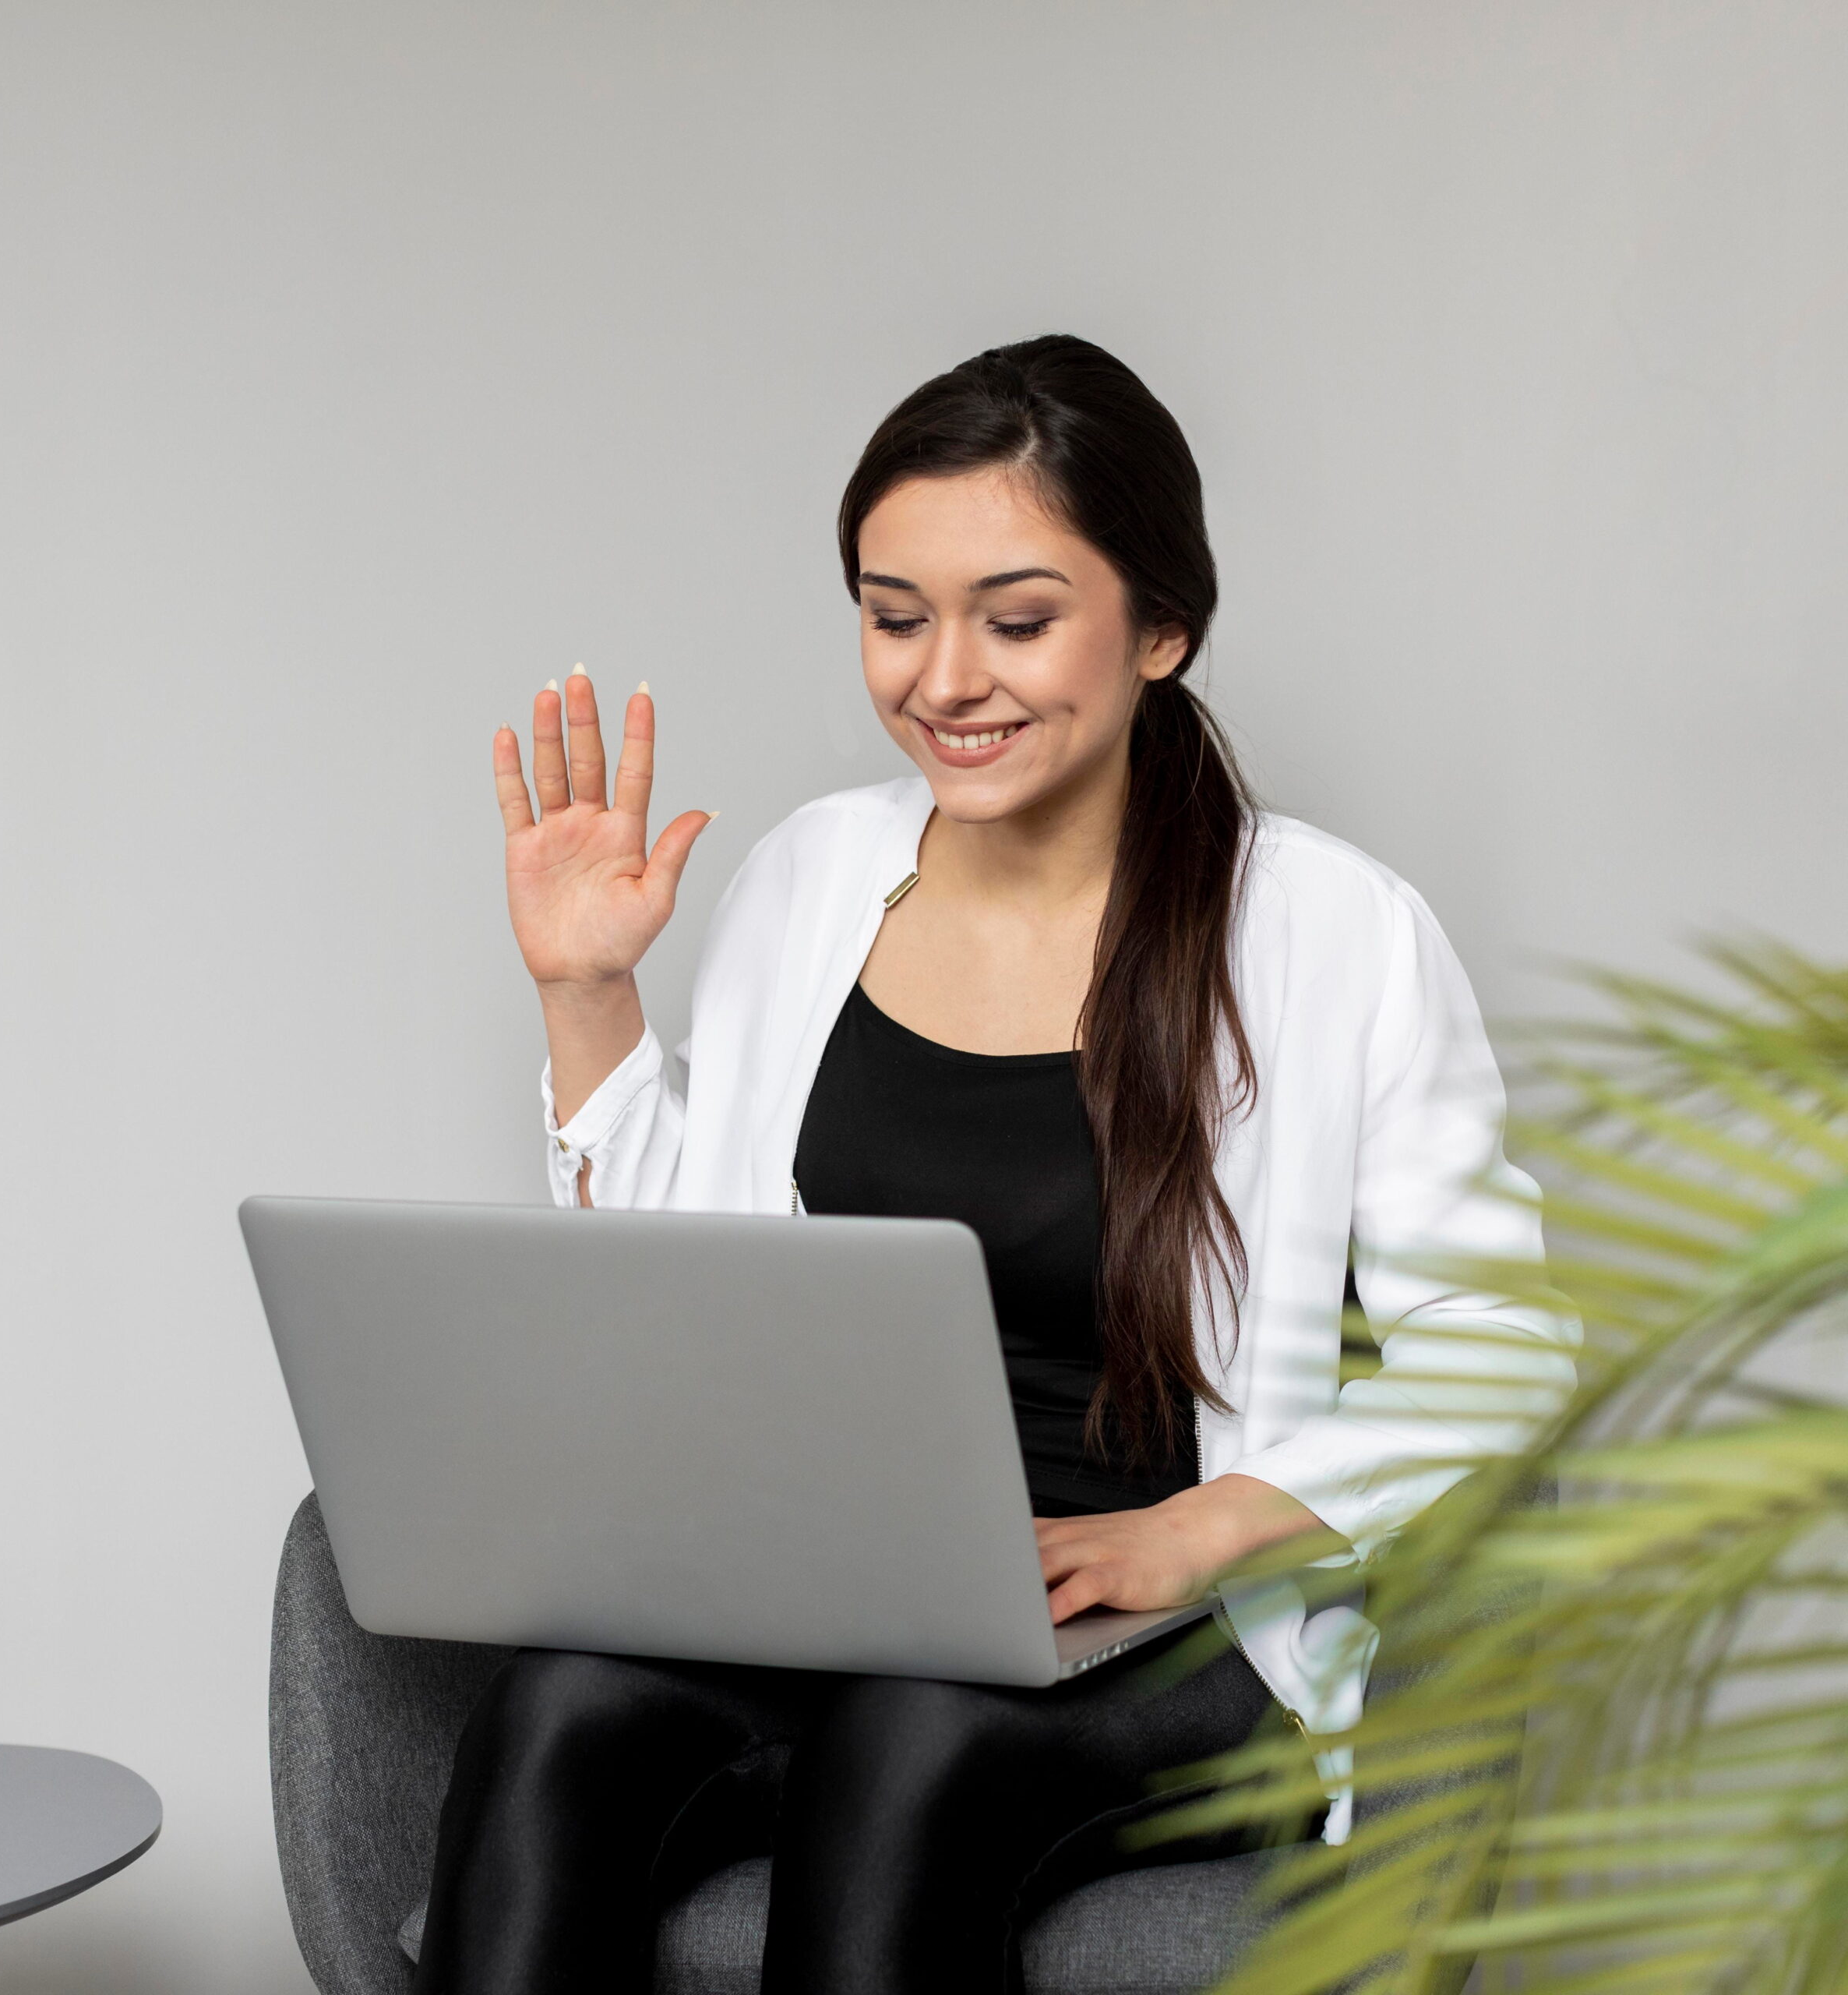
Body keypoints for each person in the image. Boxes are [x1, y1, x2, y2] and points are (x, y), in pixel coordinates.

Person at [411, 334, 1576, 1994]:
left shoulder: (1334, 933)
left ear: (1158, 626)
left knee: (913, 1740)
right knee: (557, 1709)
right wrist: (586, 990)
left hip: (1146, 1622)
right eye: (894, 615)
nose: (941, 677)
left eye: (1014, 618)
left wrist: (1205, 1523)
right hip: (830, 1586)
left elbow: (1504, 1338)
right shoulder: (814, 876)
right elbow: (698, 1288)